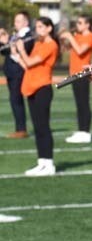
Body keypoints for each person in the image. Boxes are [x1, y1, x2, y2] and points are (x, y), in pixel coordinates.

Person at [13, 17, 59, 176]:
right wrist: (16, 53)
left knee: (43, 127)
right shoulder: (38, 44)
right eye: (36, 26)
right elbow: (27, 65)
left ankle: (49, 164)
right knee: (38, 128)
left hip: (42, 89)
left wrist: (22, 50)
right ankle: (42, 162)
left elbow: (32, 62)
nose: (37, 29)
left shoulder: (51, 45)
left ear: (49, 28)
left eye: (40, 27)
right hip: (31, 88)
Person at [60, 15, 92, 143]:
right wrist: (63, 38)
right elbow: (66, 49)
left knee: (83, 103)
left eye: (81, 23)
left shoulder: (90, 37)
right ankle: (81, 130)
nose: (78, 25)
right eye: (78, 22)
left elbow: (80, 50)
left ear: (87, 25)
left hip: (83, 72)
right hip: (74, 73)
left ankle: (85, 132)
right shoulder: (77, 36)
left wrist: (70, 37)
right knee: (79, 104)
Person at [0, 11, 35, 138]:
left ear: (25, 22)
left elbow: (20, 51)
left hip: (18, 71)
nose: (15, 23)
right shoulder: (16, 35)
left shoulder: (28, 36)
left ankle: (21, 129)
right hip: (11, 71)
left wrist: (7, 43)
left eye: (18, 21)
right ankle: (19, 128)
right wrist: (4, 41)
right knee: (14, 99)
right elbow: (5, 52)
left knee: (16, 99)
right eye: (15, 21)